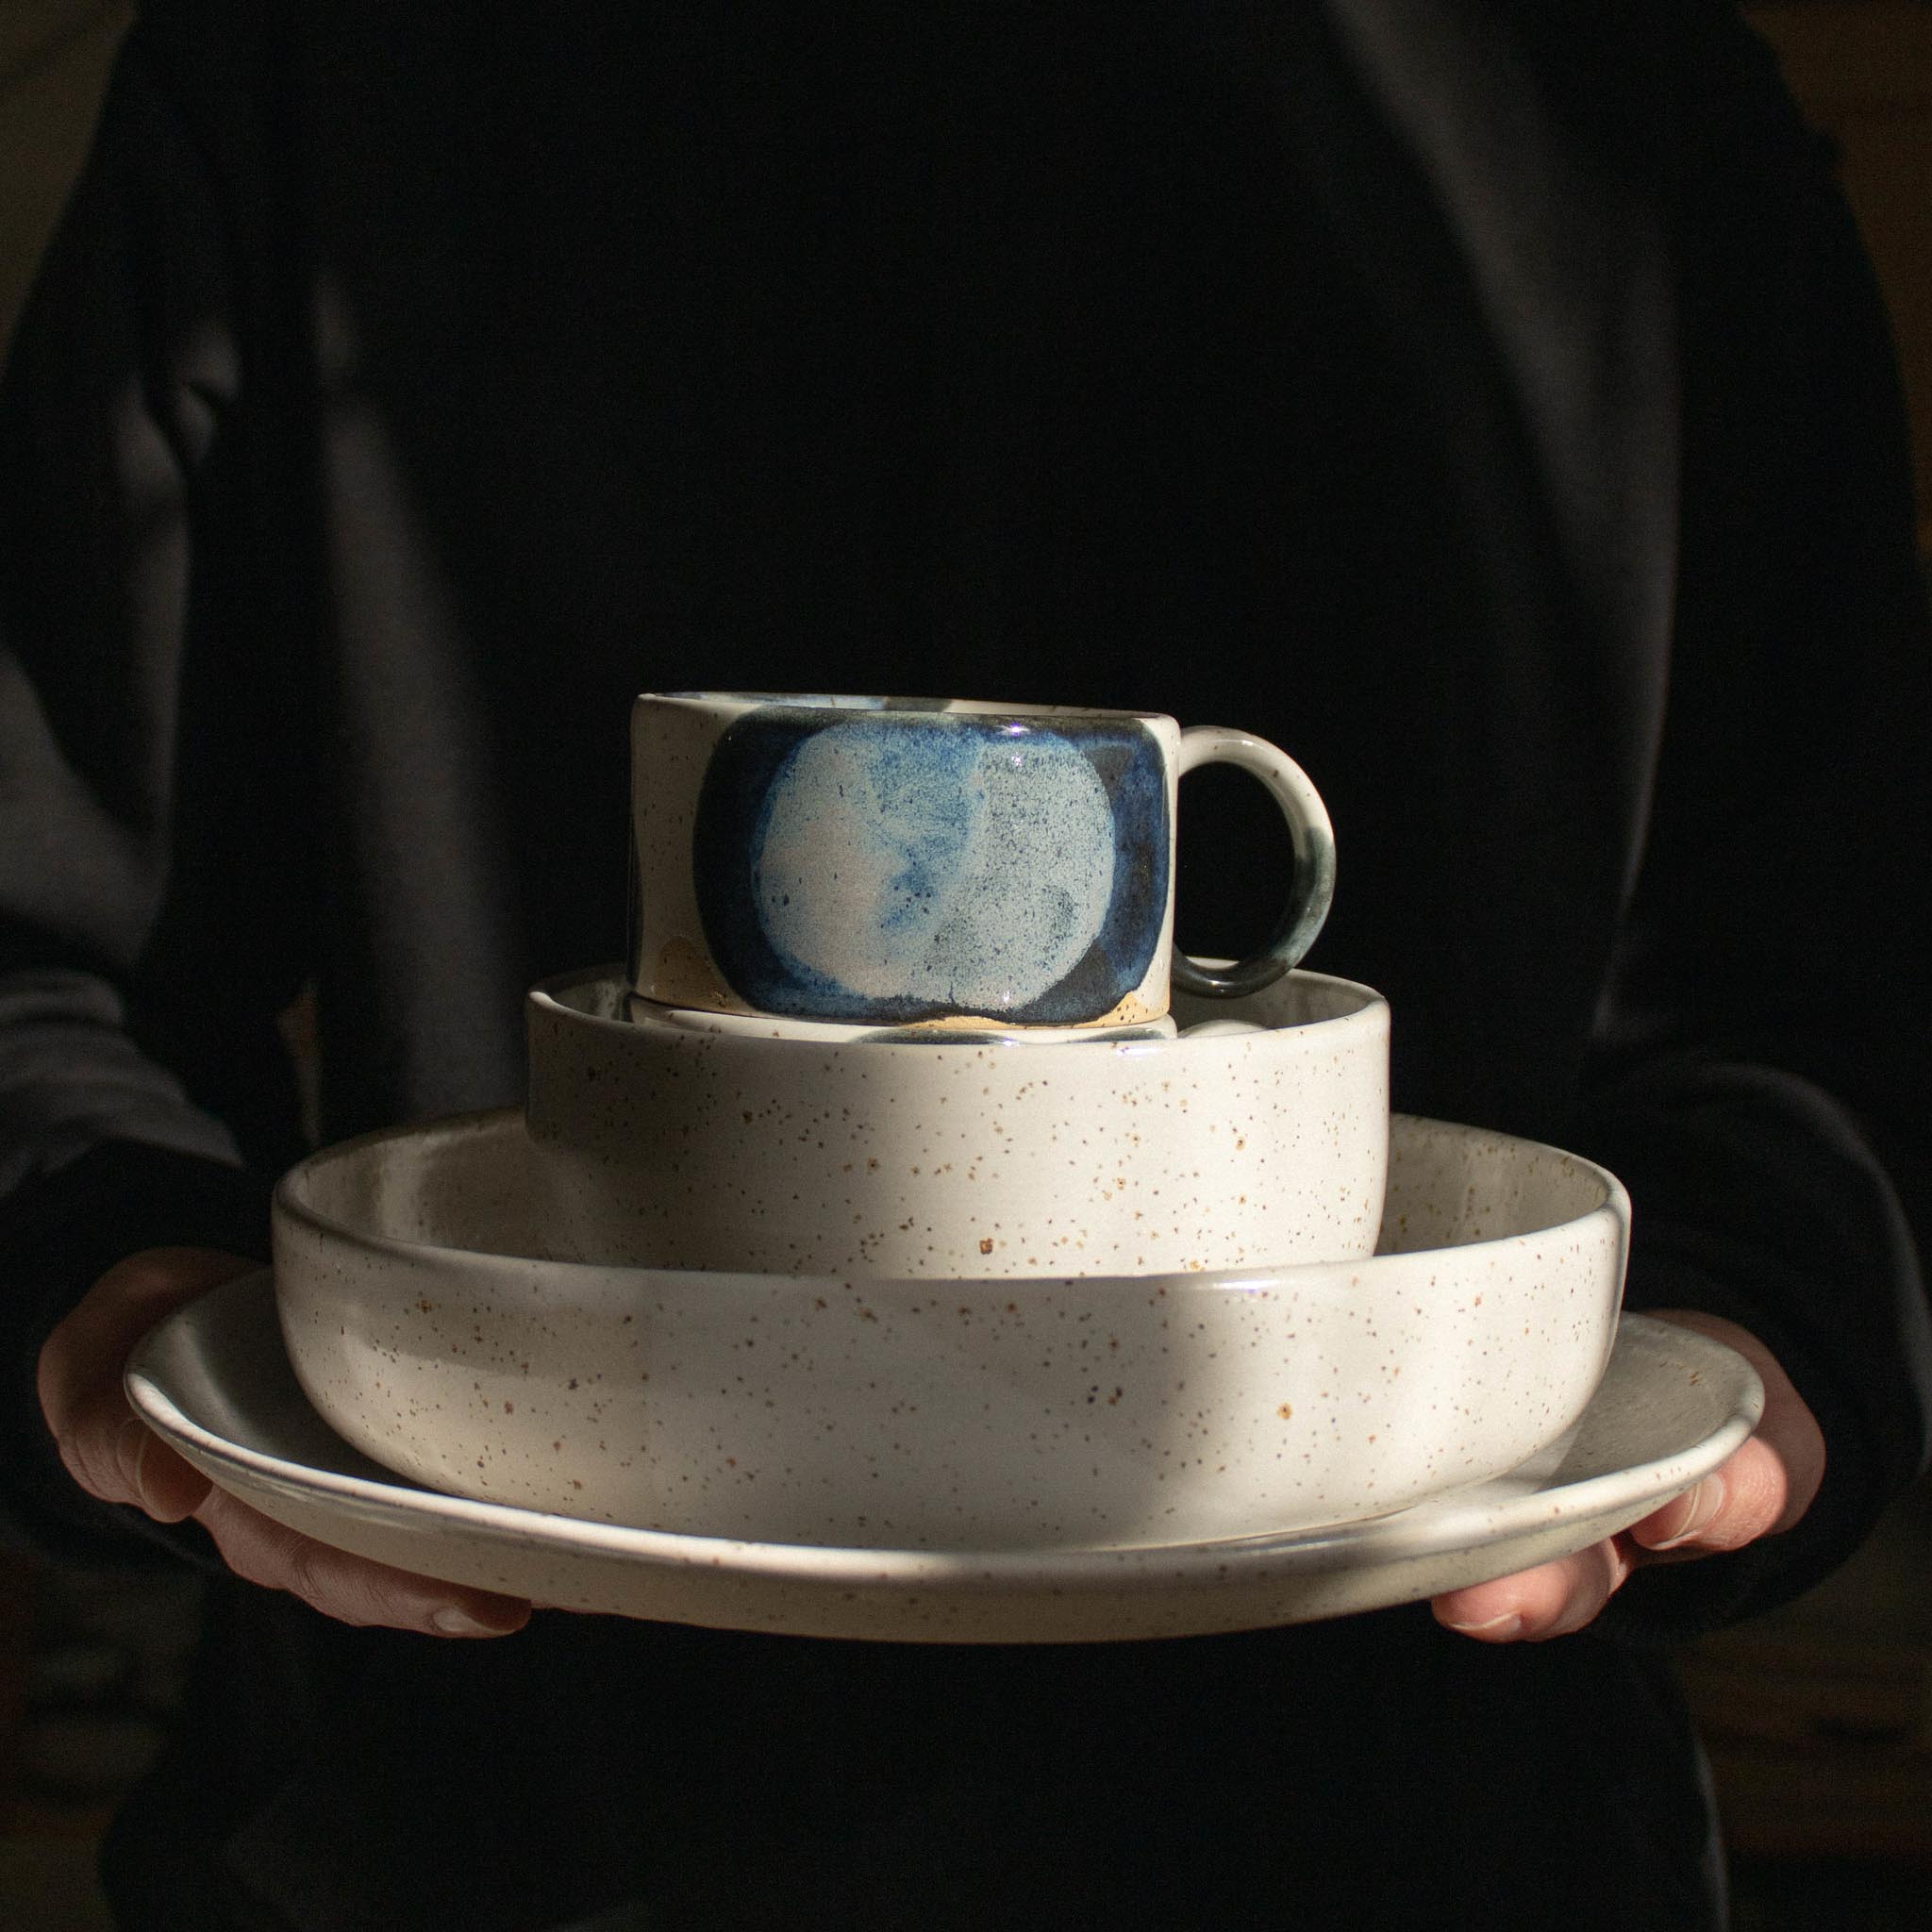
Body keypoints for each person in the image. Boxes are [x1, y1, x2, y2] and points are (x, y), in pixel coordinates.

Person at [3, 5, 1928, 1926]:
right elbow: (45, 975)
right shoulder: (313, 66)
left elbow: (1818, 983)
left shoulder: (1627, 99)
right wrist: (115, 1299)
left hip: (1438, 1822)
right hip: (462, 1819)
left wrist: (1749, 1345)